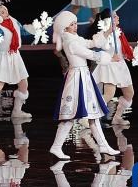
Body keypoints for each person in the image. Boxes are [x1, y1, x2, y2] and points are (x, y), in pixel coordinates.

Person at [49, 11, 119, 160]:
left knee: (91, 114)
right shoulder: (71, 42)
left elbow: (91, 43)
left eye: (75, 23)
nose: (75, 26)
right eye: (72, 24)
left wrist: (108, 31)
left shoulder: (75, 38)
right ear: (65, 27)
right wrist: (110, 58)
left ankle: (103, 145)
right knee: (71, 116)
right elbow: (90, 54)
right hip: (77, 79)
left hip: (83, 77)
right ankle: (56, 147)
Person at [91, 9, 135, 125]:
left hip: (120, 66)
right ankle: (90, 116)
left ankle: (117, 118)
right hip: (109, 66)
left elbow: (120, 49)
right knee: (109, 94)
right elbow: (99, 45)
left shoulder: (119, 32)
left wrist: (127, 53)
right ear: (108, 20)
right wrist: (108, 31)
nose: (118, 17)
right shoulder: (103, 33)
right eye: (114, 16)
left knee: (129, 94)